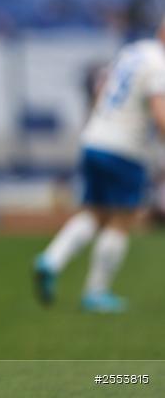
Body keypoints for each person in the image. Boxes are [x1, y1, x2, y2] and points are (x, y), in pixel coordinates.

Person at [34, 18, 165, 313]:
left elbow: (102, 91)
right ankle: (96, 291)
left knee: (94, 212)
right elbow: (161, 116)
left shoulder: (134, 51)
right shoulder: (160, 65)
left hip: (94, 138)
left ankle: (51, 260)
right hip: (125, 148)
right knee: (121, 219)